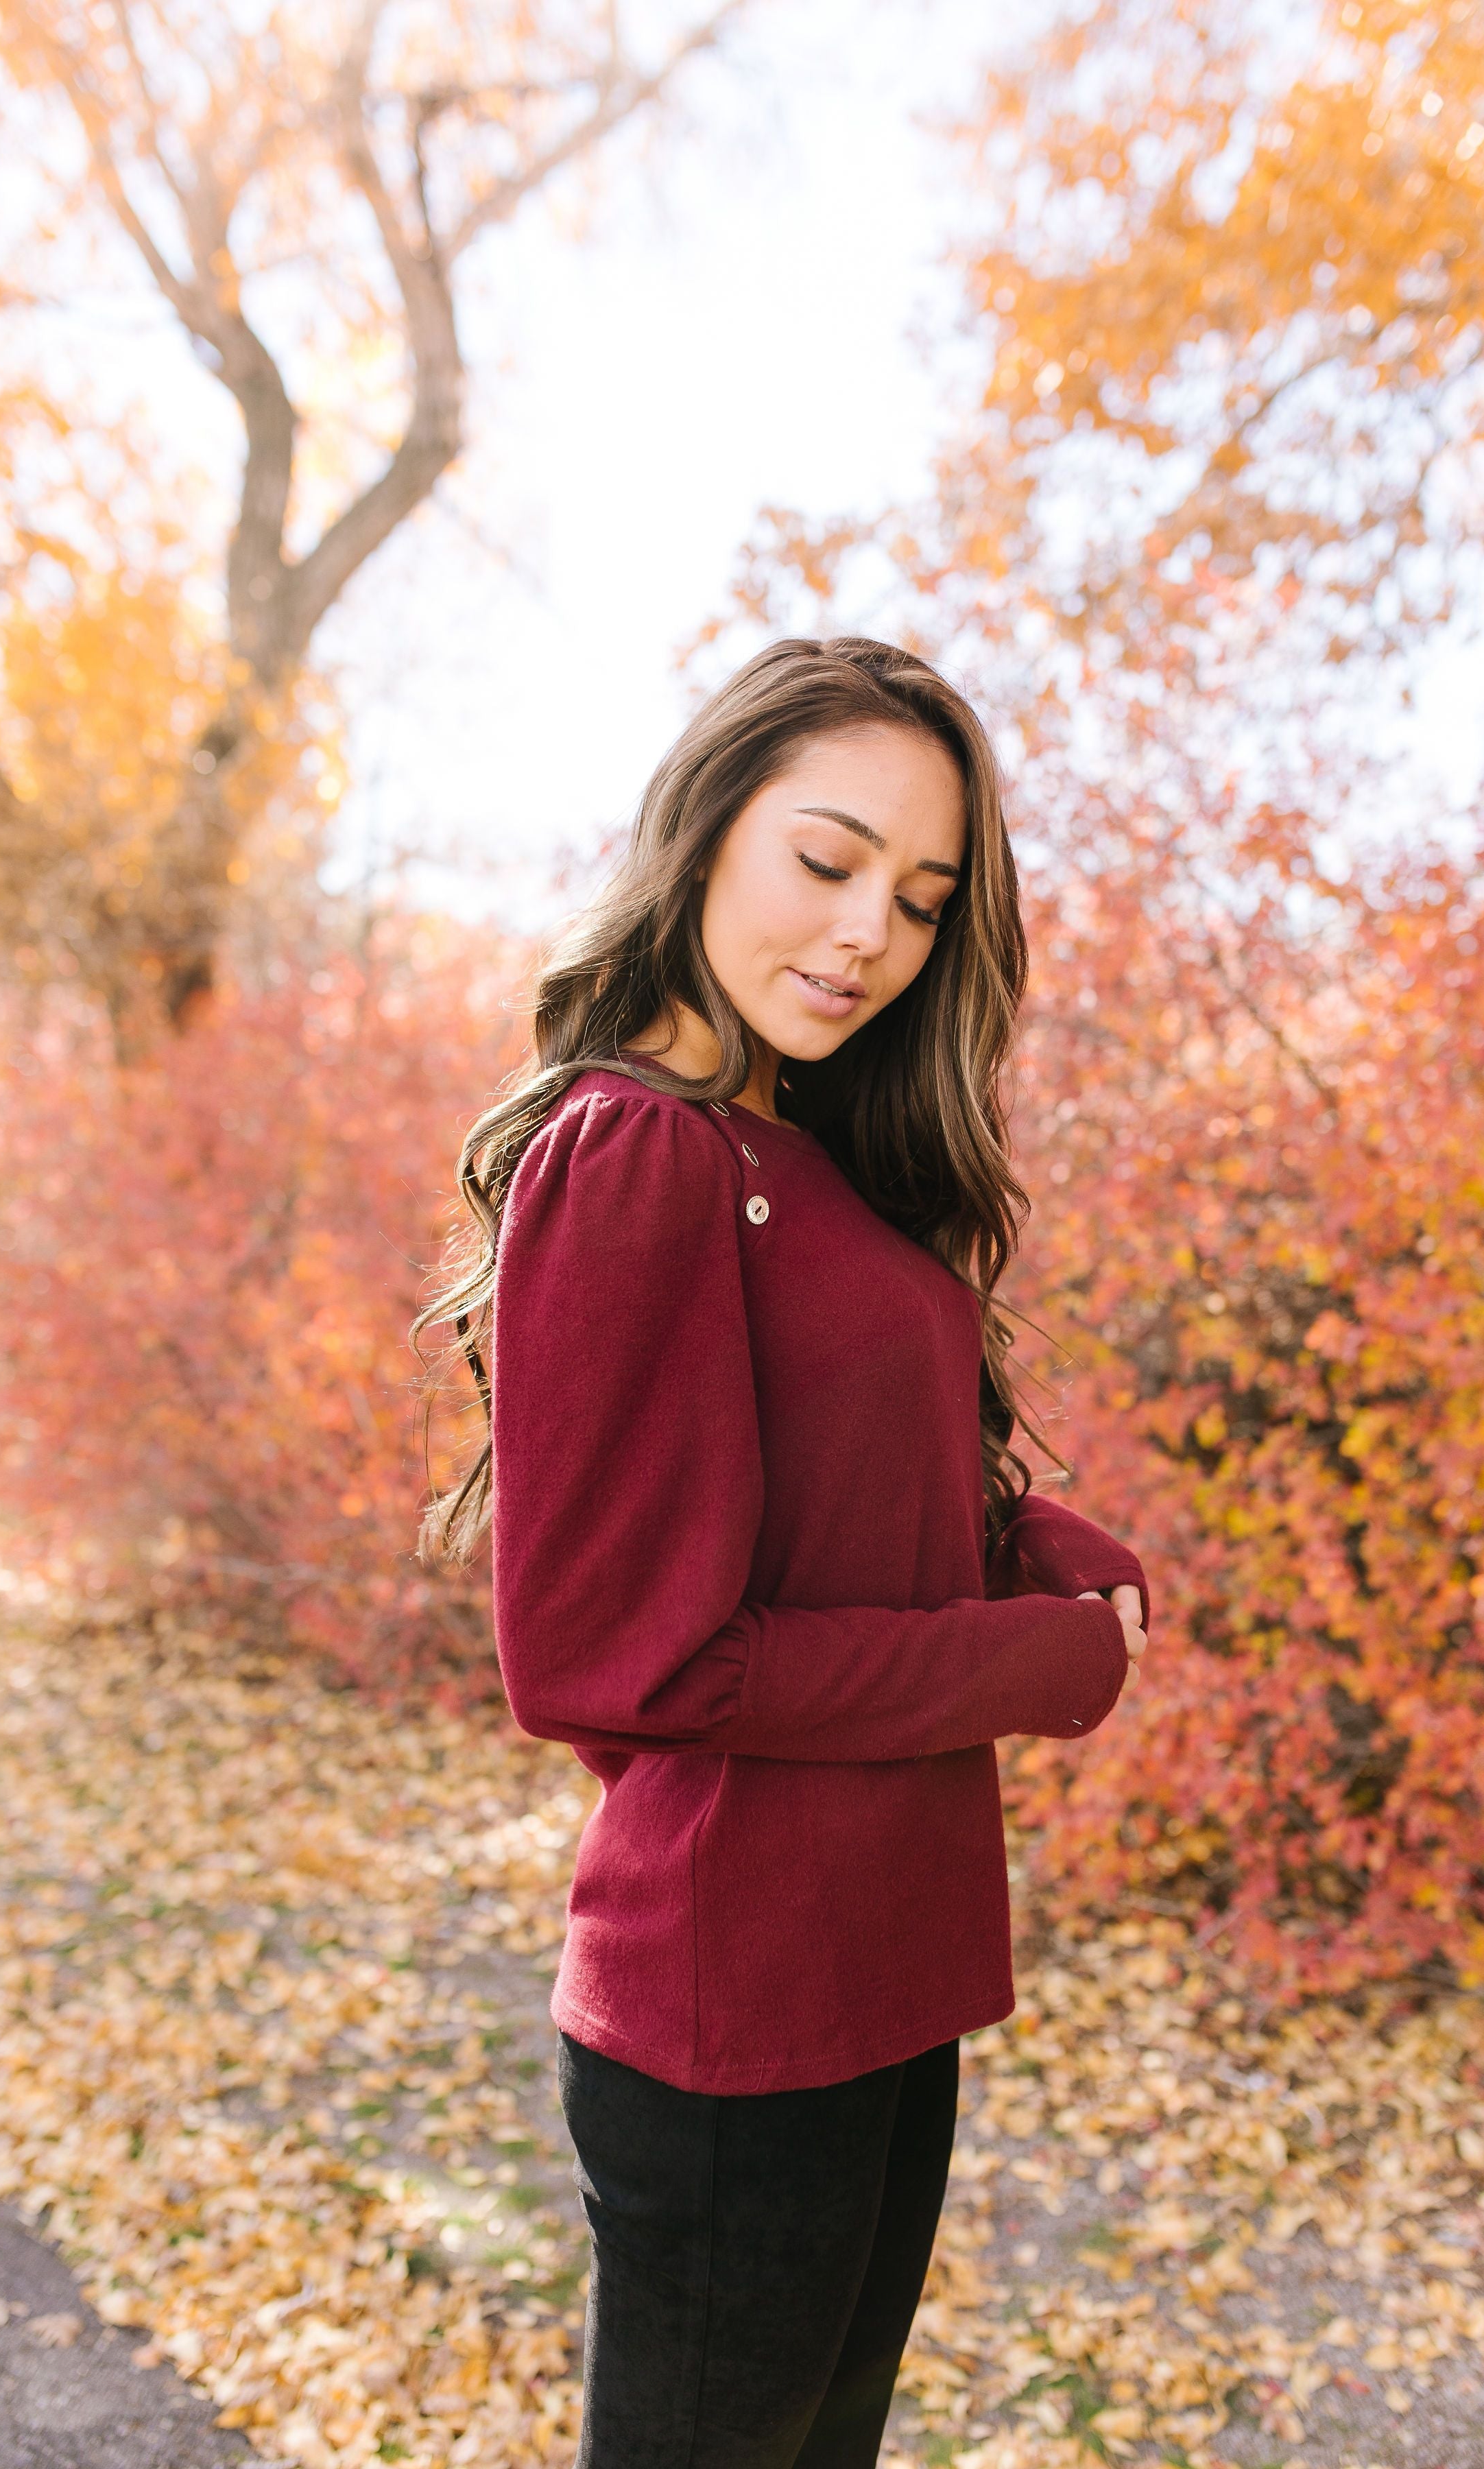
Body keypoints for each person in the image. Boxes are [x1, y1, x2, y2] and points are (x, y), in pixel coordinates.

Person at [416, 636, 1150, 2468]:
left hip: (882, 1968)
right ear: (707, 824)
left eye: (919, 899)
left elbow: (839, 1484)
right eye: (827, 862)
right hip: (736, 2003)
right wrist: (1030, 1667)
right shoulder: (639, 1150)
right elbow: (618, 1665)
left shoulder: (794, 1144)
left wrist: (1033, 1542)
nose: (867, 937)